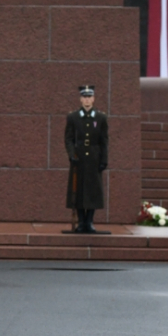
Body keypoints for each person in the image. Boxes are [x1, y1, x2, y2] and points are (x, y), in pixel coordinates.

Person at [63, 84, 108, 234]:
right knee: (79, 190)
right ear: (80, 99)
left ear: (93, 99)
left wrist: (104, 160)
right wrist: (71, 154)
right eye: (84, 97)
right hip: (79, 158)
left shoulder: (101, 117)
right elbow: (68, 138)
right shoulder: (73, 117)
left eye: (89, 97)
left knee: (93, 190)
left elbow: (104, 141)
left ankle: (89, 221)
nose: (87, 100)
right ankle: (81, 222)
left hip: (94, 159)